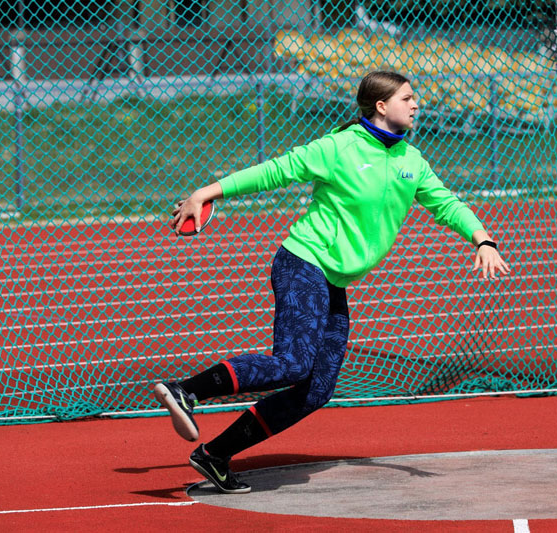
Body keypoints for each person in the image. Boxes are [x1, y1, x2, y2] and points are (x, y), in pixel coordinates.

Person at [153, 71, 510, 494]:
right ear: (381, 106)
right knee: (294, 363)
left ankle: (214, 455)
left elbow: (446, 203)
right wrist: (207, 192)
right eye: (408, 98)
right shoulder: (339, 147)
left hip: (332, 280)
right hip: (303, 263)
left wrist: (482, 239)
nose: (416, 105)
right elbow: (275, 171)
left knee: (316, 389)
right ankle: (186, 391)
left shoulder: (411, 161)